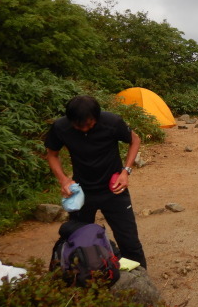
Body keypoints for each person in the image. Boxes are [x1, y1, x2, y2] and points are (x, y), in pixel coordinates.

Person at [45, 95, 147, 268]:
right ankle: (84, 277)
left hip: (114, 190)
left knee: (128, 240)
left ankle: (140, 281)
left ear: (97, 117)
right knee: (78, 237)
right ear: (70, 121)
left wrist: (126, 171)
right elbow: (52, 154)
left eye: (89, 124)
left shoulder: (112, 122)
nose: (84, 129)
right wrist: (63, 179)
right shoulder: (61, 127)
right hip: (81, 193)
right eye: (79, 125)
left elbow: (135, 140)